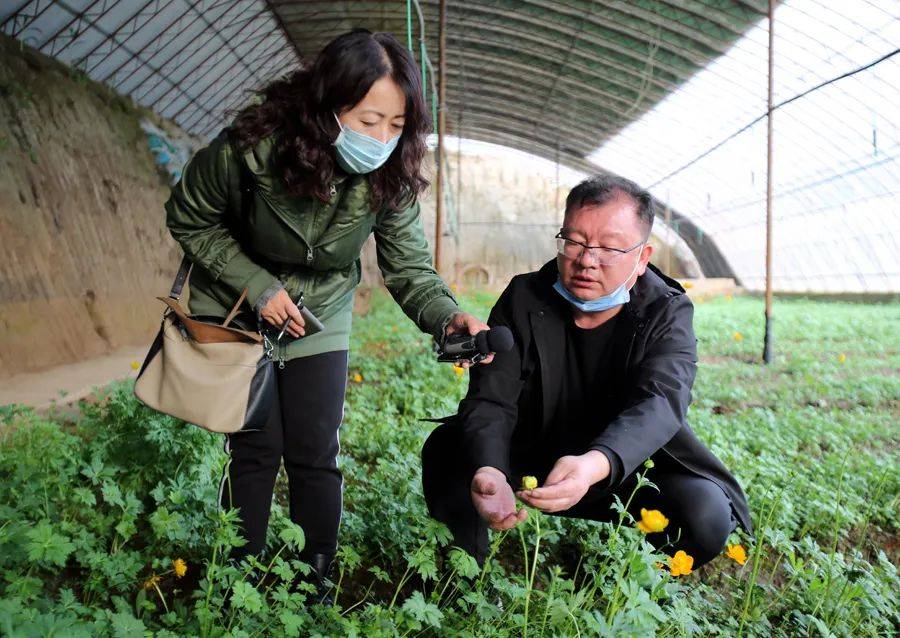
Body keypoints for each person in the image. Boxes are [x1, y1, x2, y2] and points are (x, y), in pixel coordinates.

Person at [164, 29, 494, 601]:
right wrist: (258, 286)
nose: (383, 139)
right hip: (240, 305)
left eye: (397, 125)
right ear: (328, 106)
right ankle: (238, 569)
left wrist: (446, 317)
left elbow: (410, 268)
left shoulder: (390, 175)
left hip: (321, 311)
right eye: (369, 121)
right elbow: (190, 219)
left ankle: (314, 572)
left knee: (316, 447)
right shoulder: (249, 148)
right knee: (255, 445)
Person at [421, 175, 752, 569]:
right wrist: (490, 467)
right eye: (574, 241)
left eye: (609, 247)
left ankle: (633, 590)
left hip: (619, 468)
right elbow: (493, 397)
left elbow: (661, 400)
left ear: (643, 257)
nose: (586, 260)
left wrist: (594, 464)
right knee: (448, 448)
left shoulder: (666, 311)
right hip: (533, 454)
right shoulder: (525, 297)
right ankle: (464, 574)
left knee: (705, 514)